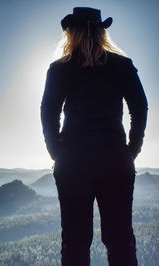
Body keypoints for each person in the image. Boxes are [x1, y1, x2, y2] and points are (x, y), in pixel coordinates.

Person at [40, 7, 148, 266]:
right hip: (115, 161)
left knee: (75, 243)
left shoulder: (60, 68)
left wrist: (58, 153)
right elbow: (140, 107)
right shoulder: (122, 65)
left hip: (73, 163)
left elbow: (48, 113)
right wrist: (130, 150)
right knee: (120, 240)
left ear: (72, 33)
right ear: (101, 32)